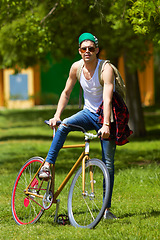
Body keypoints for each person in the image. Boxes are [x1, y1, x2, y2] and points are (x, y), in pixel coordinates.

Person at [39, 32, 121, 219]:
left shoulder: (105, 68)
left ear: (97, 50)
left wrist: (106, 124)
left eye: (91, 49)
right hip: (88, 113)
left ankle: (106, 210)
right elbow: (66, 92)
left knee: (108, 164)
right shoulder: (76, 67)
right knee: (64, 125)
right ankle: (47, 164)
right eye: (84, 49)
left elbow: (107, 98)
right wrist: (57, 116)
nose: (87, 52)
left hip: (106, 116)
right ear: (79, 51)